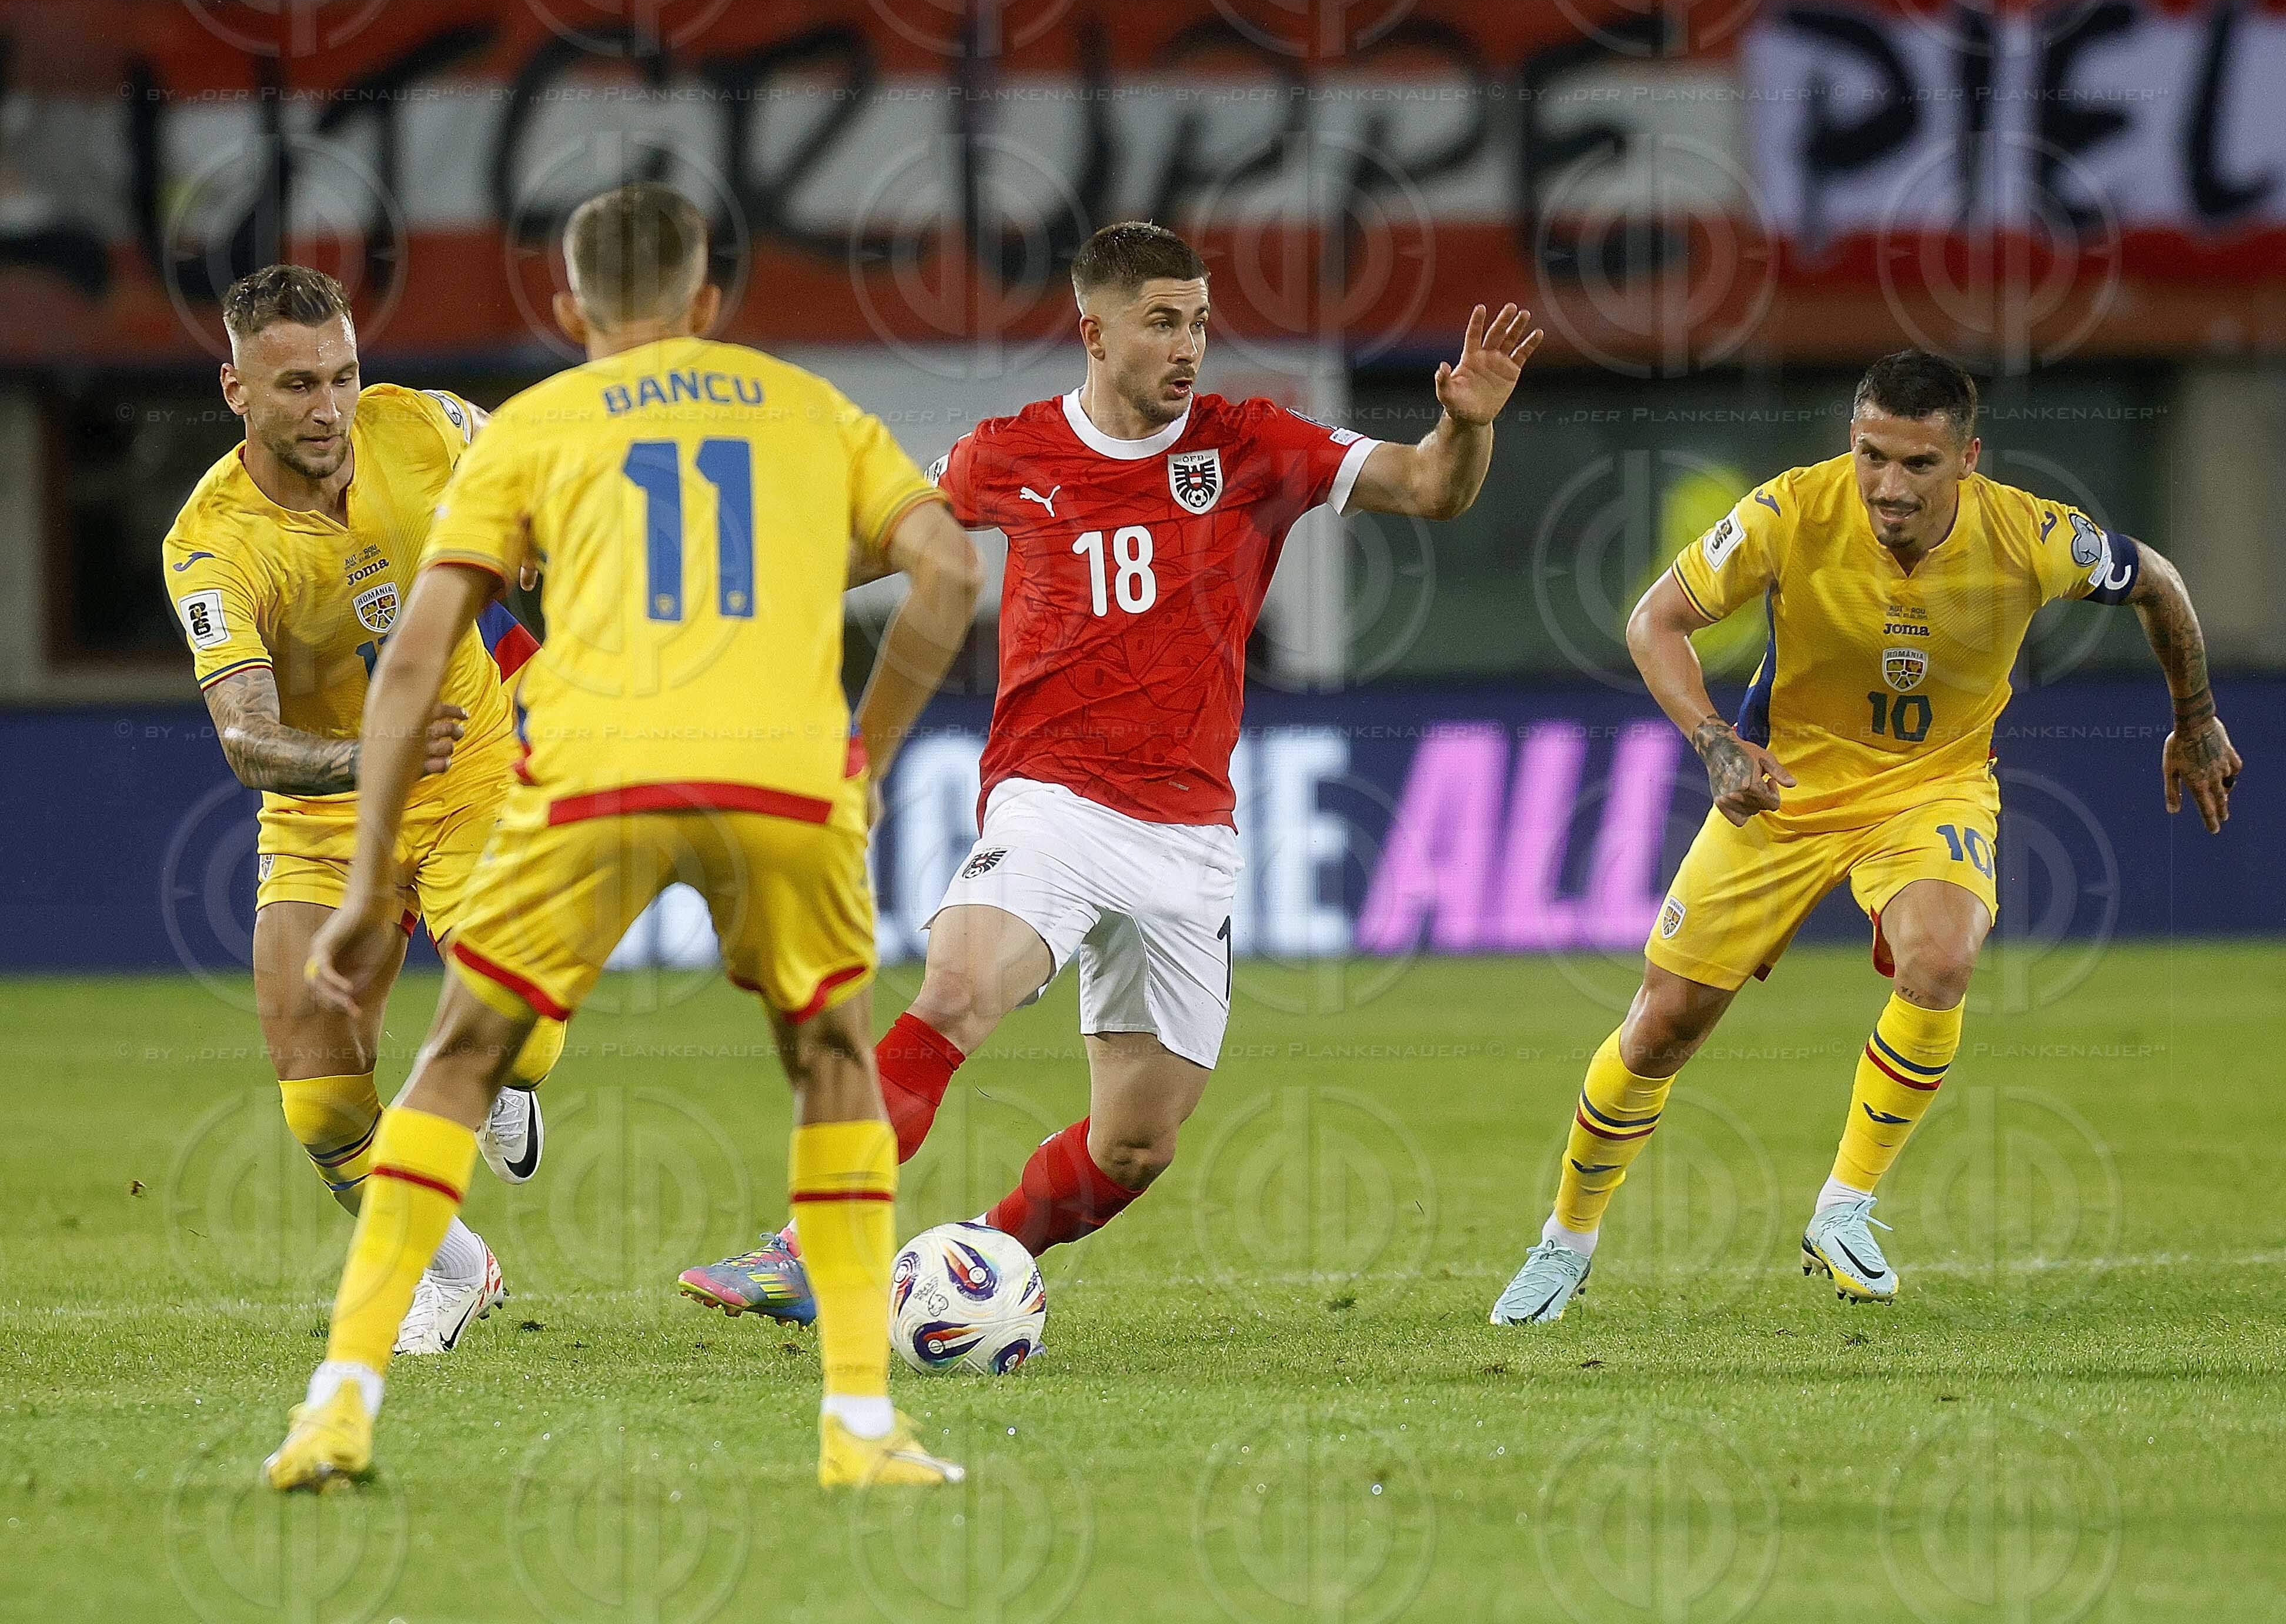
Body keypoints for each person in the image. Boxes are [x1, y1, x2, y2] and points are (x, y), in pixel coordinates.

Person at [677, 220, 1540, 1319]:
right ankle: (810, 1247)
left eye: (1201, 324)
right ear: (1094, 330)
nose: (1190, 348)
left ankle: (973, 1263)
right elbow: (874, 550)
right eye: (1163, 323)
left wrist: (1465, 428)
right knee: (954, 991)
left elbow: (1431, 488)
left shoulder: (1251, 444)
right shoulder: (1013, 452)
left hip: (1190, 840)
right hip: (1051, 804)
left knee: (1136, 1144)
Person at [261, 182, 982, 1492]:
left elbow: (422, 647)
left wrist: (370, 885)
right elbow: (950, 570)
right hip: (783, 777)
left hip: (597, 769)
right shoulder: (808, 404)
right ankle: (863, 1428)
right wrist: (865, 742)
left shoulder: (532, 427)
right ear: (709, 304)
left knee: (460, 1059)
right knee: (830, 1060)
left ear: (568, 307)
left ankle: (341, 1403)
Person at [1490, 347, 2242, 1323]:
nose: (1889, 486)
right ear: (1852, 442)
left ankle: (1845, 1207)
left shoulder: (2030, 535)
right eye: (1872, 456)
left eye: (1918, 465)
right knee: (1663, 1026)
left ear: (1968, 457)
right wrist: (1716, 741)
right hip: (1784, 784)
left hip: (1935, 788)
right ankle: (1565, 1240)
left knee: (1942, 961)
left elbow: (2161, 582)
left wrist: (2196, 716)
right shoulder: (1791, 510)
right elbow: (1654, 622)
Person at [161, 264, 563, 1357]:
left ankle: (509, 1080)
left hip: (470, 767)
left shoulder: (429, 430)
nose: (328, 408)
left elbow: (560, 485)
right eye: (295, 386)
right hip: (326, 811)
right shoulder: (211, 545)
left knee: (507, 1031)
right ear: (237, 389)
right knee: (321, 1109)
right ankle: (455, 1267)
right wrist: (367, 753)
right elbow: (247, 740)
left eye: (342, 376)